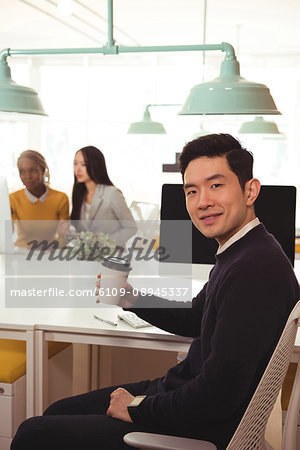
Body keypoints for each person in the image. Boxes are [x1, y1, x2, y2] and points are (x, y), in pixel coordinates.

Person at [11, 134, 300, 450]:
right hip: (182, 393)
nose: (202, 201)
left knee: (32, 434)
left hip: (196, 426)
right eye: (192, 190)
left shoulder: (253, 270)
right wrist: (129, 297)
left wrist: (137, 407)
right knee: (58, 412)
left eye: (216, 185)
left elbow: (217, 396)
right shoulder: (245, 251)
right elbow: (197, 316)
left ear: (250, 190)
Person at [62, 145, 137, 249]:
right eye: (75, 164)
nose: (77, 169)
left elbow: (131, 227)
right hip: (88, 256)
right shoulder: (79, 194)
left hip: (111, 254)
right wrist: (67, 232)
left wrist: (105, 242)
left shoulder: (112, 194)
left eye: (83, 164)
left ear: (95, 166)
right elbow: (82, 233)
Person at [10, 150, 69, 248]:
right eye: (22, 172)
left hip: (49, 252)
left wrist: (53, 245)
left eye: (33, 170)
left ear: (43, 170)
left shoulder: (60, 199)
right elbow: (6, 234)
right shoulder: (13, 199)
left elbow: (64, 237)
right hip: (22, 252)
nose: (27, 177)